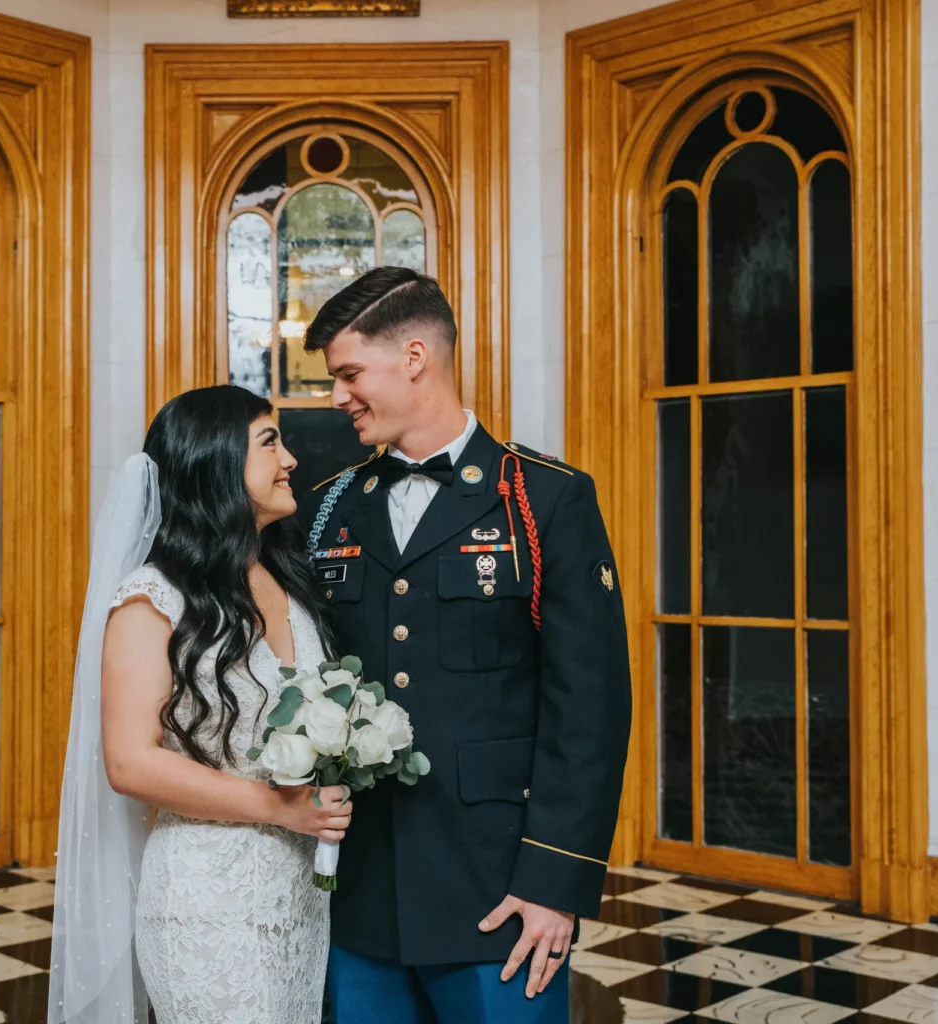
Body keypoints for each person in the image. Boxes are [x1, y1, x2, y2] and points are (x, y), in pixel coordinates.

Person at [302, 267, 633, 1024]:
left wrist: (556, 880)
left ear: (414, 357)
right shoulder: (328, 510)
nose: (336, 397)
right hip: (359, 894)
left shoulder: (545, 497)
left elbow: (591, 708)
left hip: (501, 895)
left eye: (349, 374)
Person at [49, 385, 353, 1024]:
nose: (291, 459)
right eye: (270, 442)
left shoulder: (284, 575)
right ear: (215, 463)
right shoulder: (151, 599)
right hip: (206, 900)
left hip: (298, 898)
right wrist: (279, 808)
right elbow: (130, 764)